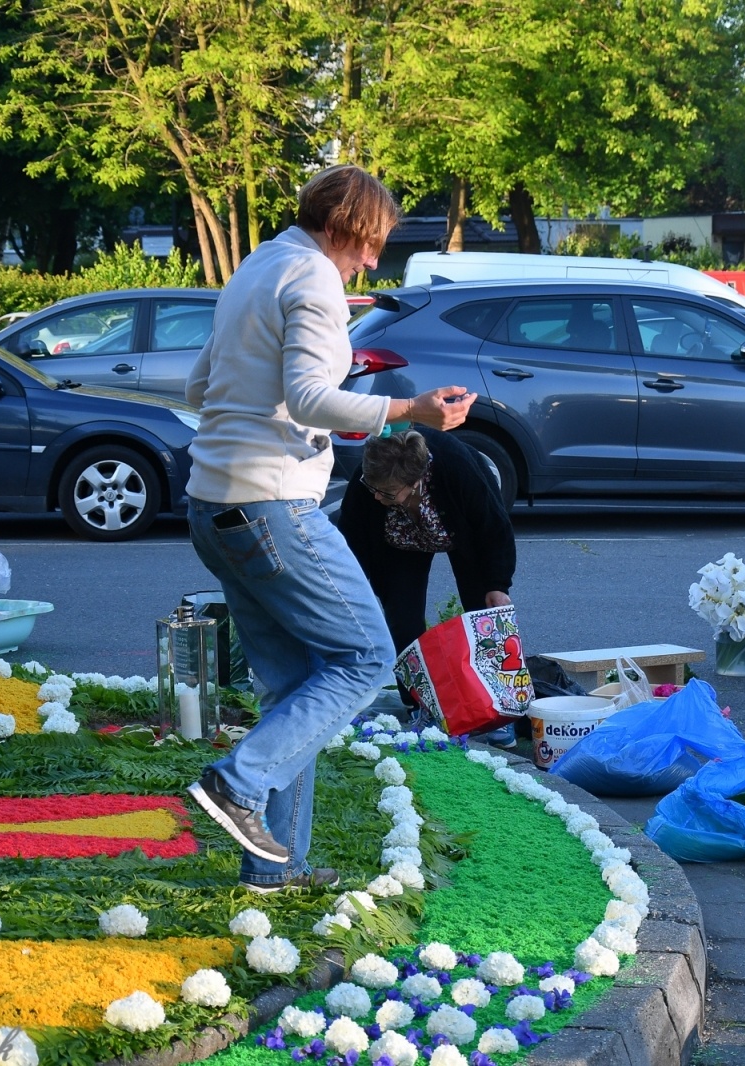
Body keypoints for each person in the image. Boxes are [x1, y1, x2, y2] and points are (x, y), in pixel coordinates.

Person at [182, 164, 475, 893]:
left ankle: (276, 872)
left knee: (292, 693)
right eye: (370, 242)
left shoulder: (258, 267)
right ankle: (238, 783)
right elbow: (311, 398)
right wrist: (411, 411)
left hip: (213, 503)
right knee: (365, 659)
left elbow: (198, 387)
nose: (372, 262)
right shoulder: (312, 279)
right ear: (343, 226)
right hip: (270, 507)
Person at [340, 427, 515, 656]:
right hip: (400, 544)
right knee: (403, 625)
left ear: (414, 482)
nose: (377, 496)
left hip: (462, 535)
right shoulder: (369, 480)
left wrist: (497, 585)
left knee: (485, 616)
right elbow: (352, 540)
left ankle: (495, 687)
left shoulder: (456, 466)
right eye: (374, 489)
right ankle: (416, 690)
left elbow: (493, 527)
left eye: (388, 492)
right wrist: (352, 590)